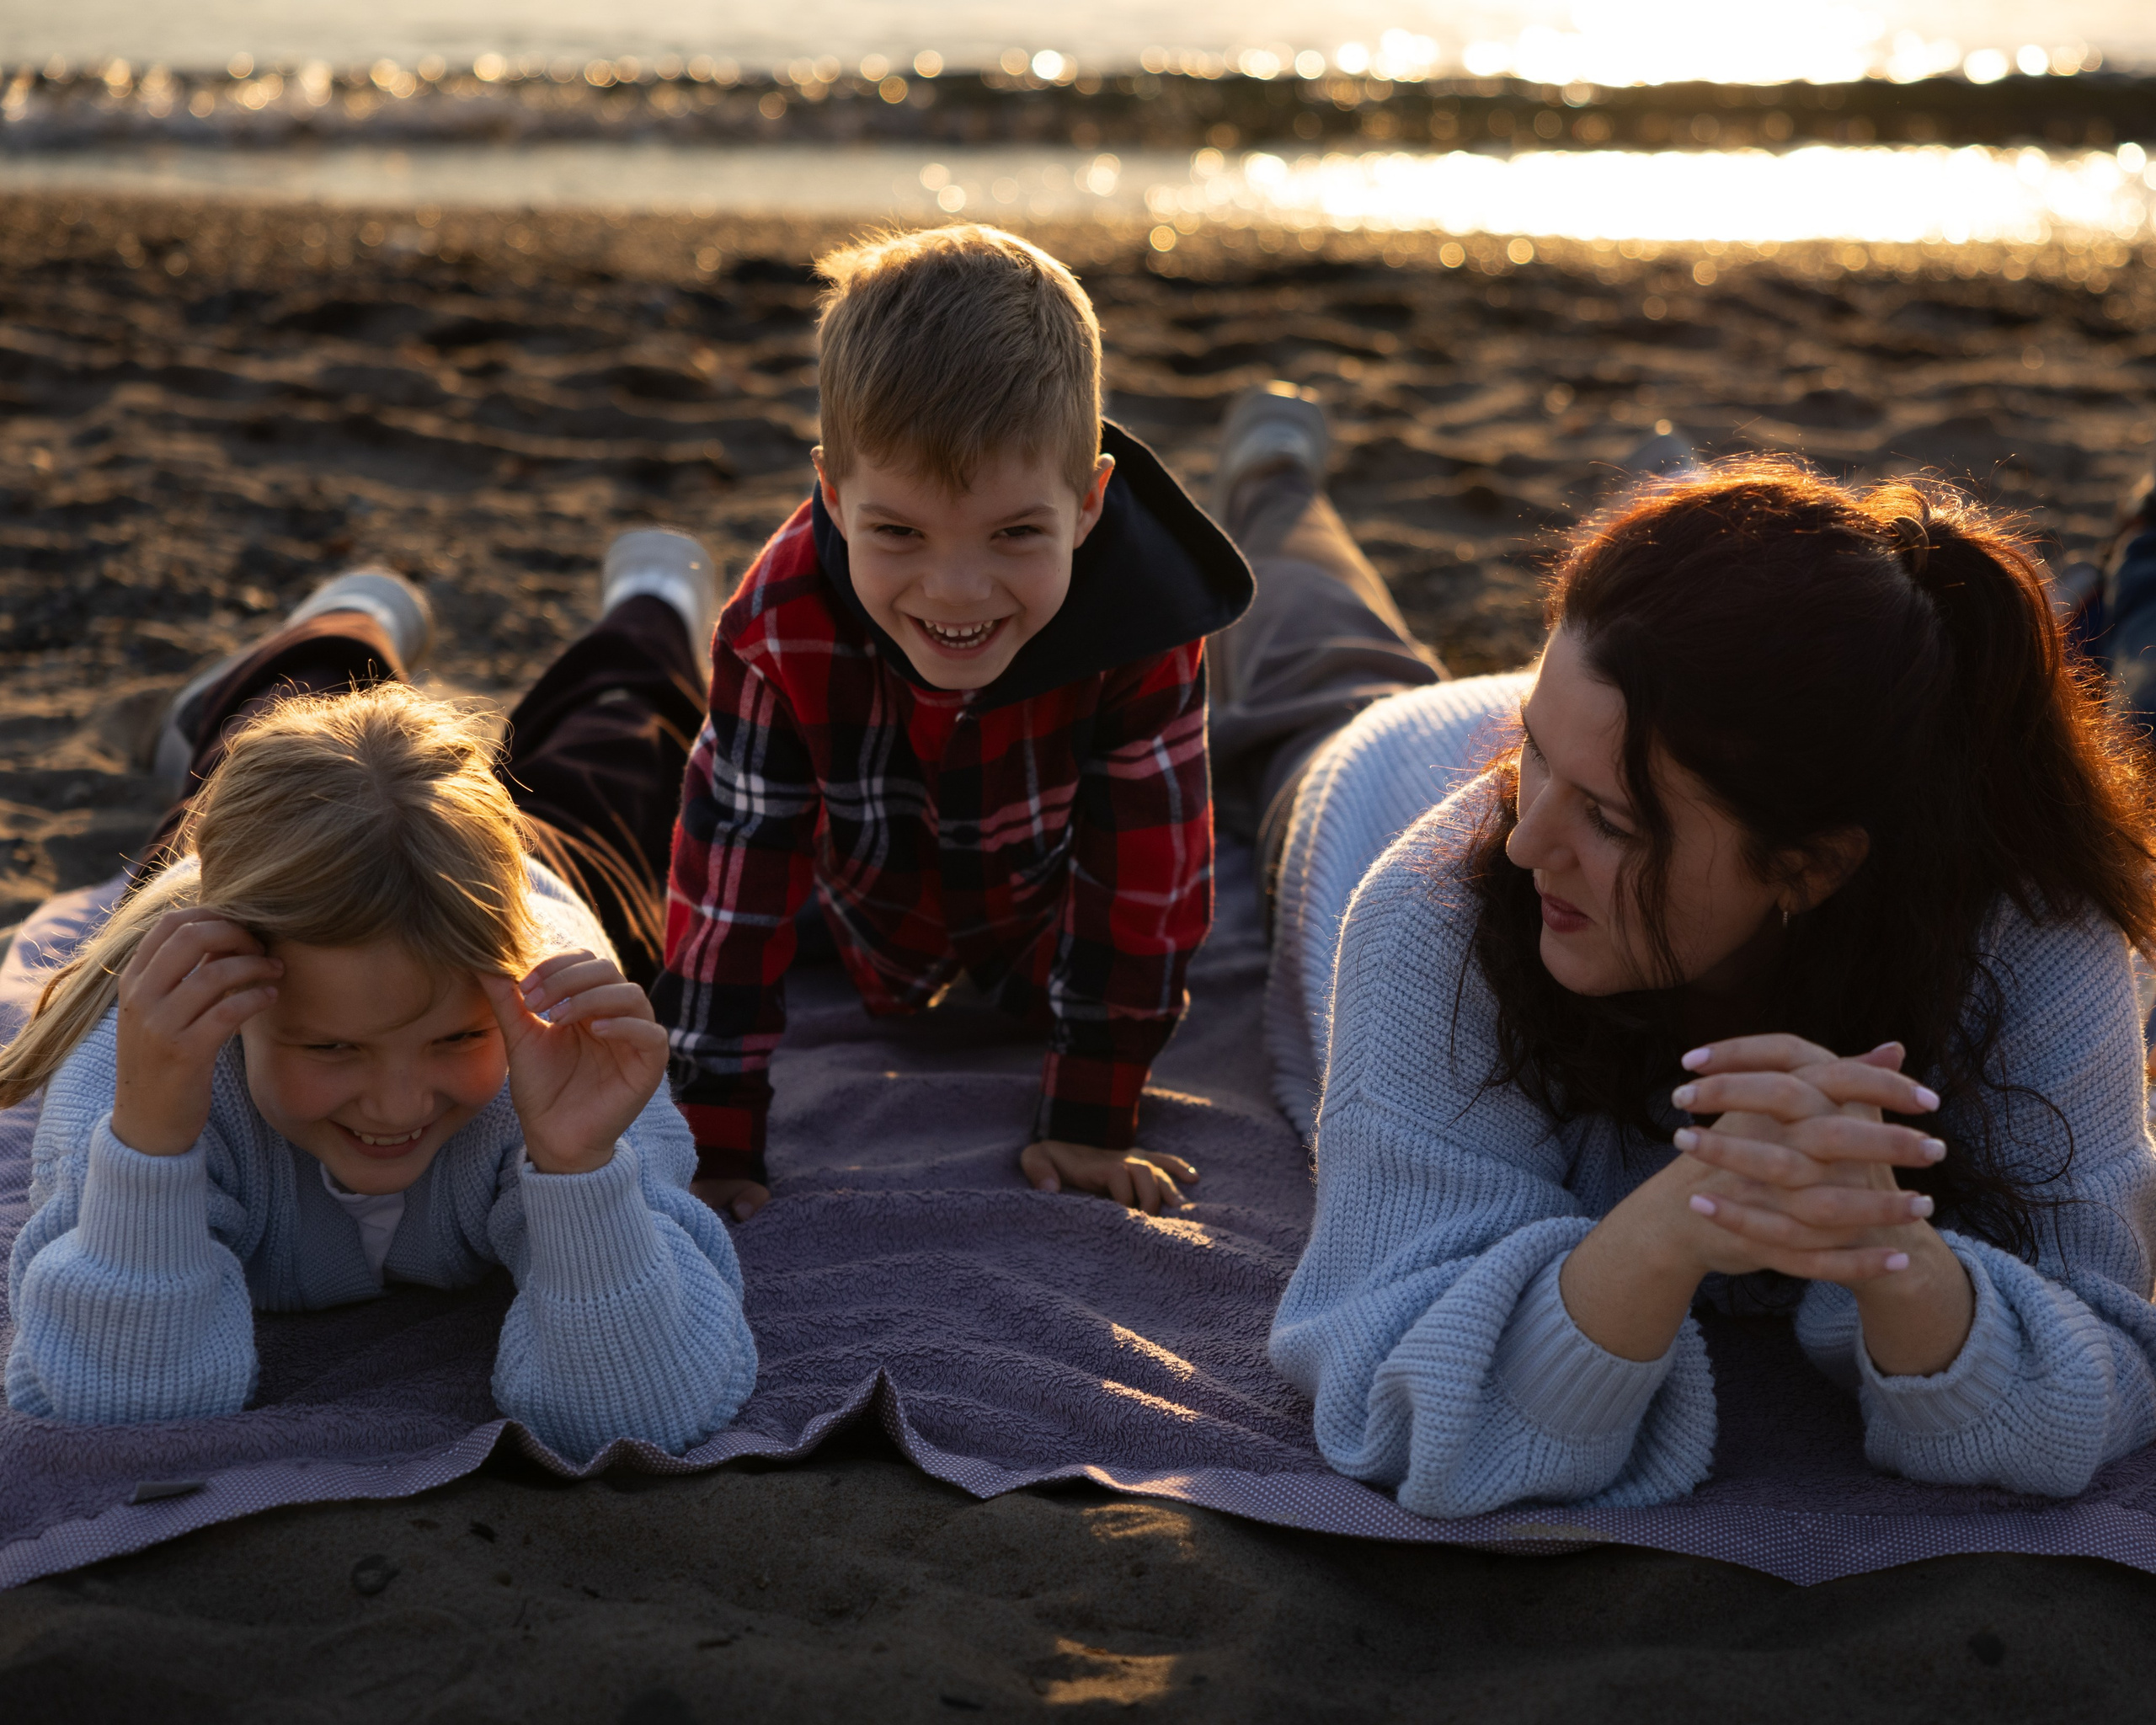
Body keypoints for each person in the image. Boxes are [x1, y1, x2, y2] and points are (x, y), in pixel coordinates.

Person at [1209, 383, 2156, 1514]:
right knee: (1307, 642)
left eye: (1612, 827)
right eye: (1537, 772)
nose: (1530, 845)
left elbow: (2104, 1360)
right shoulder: (1438, 905)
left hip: (1623, 719)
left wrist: (1886, 1241)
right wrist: (1695, 1204)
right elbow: (1412, 1409)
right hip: (1381, 773)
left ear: (1813, 869)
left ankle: (1661, 480)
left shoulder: (2037, 941)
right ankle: (1273, 472)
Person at [1, 545, 758, 1463]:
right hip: (263, 867)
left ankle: (654, 596)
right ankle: (354, 610)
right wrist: (154, 1145)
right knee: (263, 731)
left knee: (624, 744)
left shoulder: (562, 1039)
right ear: (240, 1004)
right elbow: (118, 1406)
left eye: (454, 1037)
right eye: (332, 1048)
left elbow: (636, 1407)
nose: (398, 1104)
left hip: (519, 877)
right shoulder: (139, 1051)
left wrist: (579, 1166)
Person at [654, 225, 1251, 1223]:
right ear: (835, 501)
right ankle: (653, 595)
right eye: (899, 532)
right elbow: (733, 887)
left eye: (1017, 533)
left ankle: (1272, 477)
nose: (957, 588)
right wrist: (714, 1139)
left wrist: (1090, 1111)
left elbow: (1147, 879)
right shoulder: (777, 628)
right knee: (673, 843)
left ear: (1090, 503)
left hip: (1037, 928)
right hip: (849, 902)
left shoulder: (1142, 627)